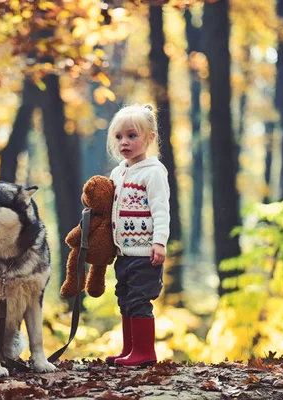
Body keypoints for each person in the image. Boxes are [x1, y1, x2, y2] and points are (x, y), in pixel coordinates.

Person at [104, 103, 170, 367]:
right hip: (124, 253)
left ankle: (145, 351)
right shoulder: (117, 172)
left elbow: (161, 210)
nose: (124, 142)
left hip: (145, 252)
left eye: (132, 136)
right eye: (119, 137)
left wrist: (159, 242)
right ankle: (129, 348)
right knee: (125, 299)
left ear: (150, 137)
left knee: (140, 300)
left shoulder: (153, 172)